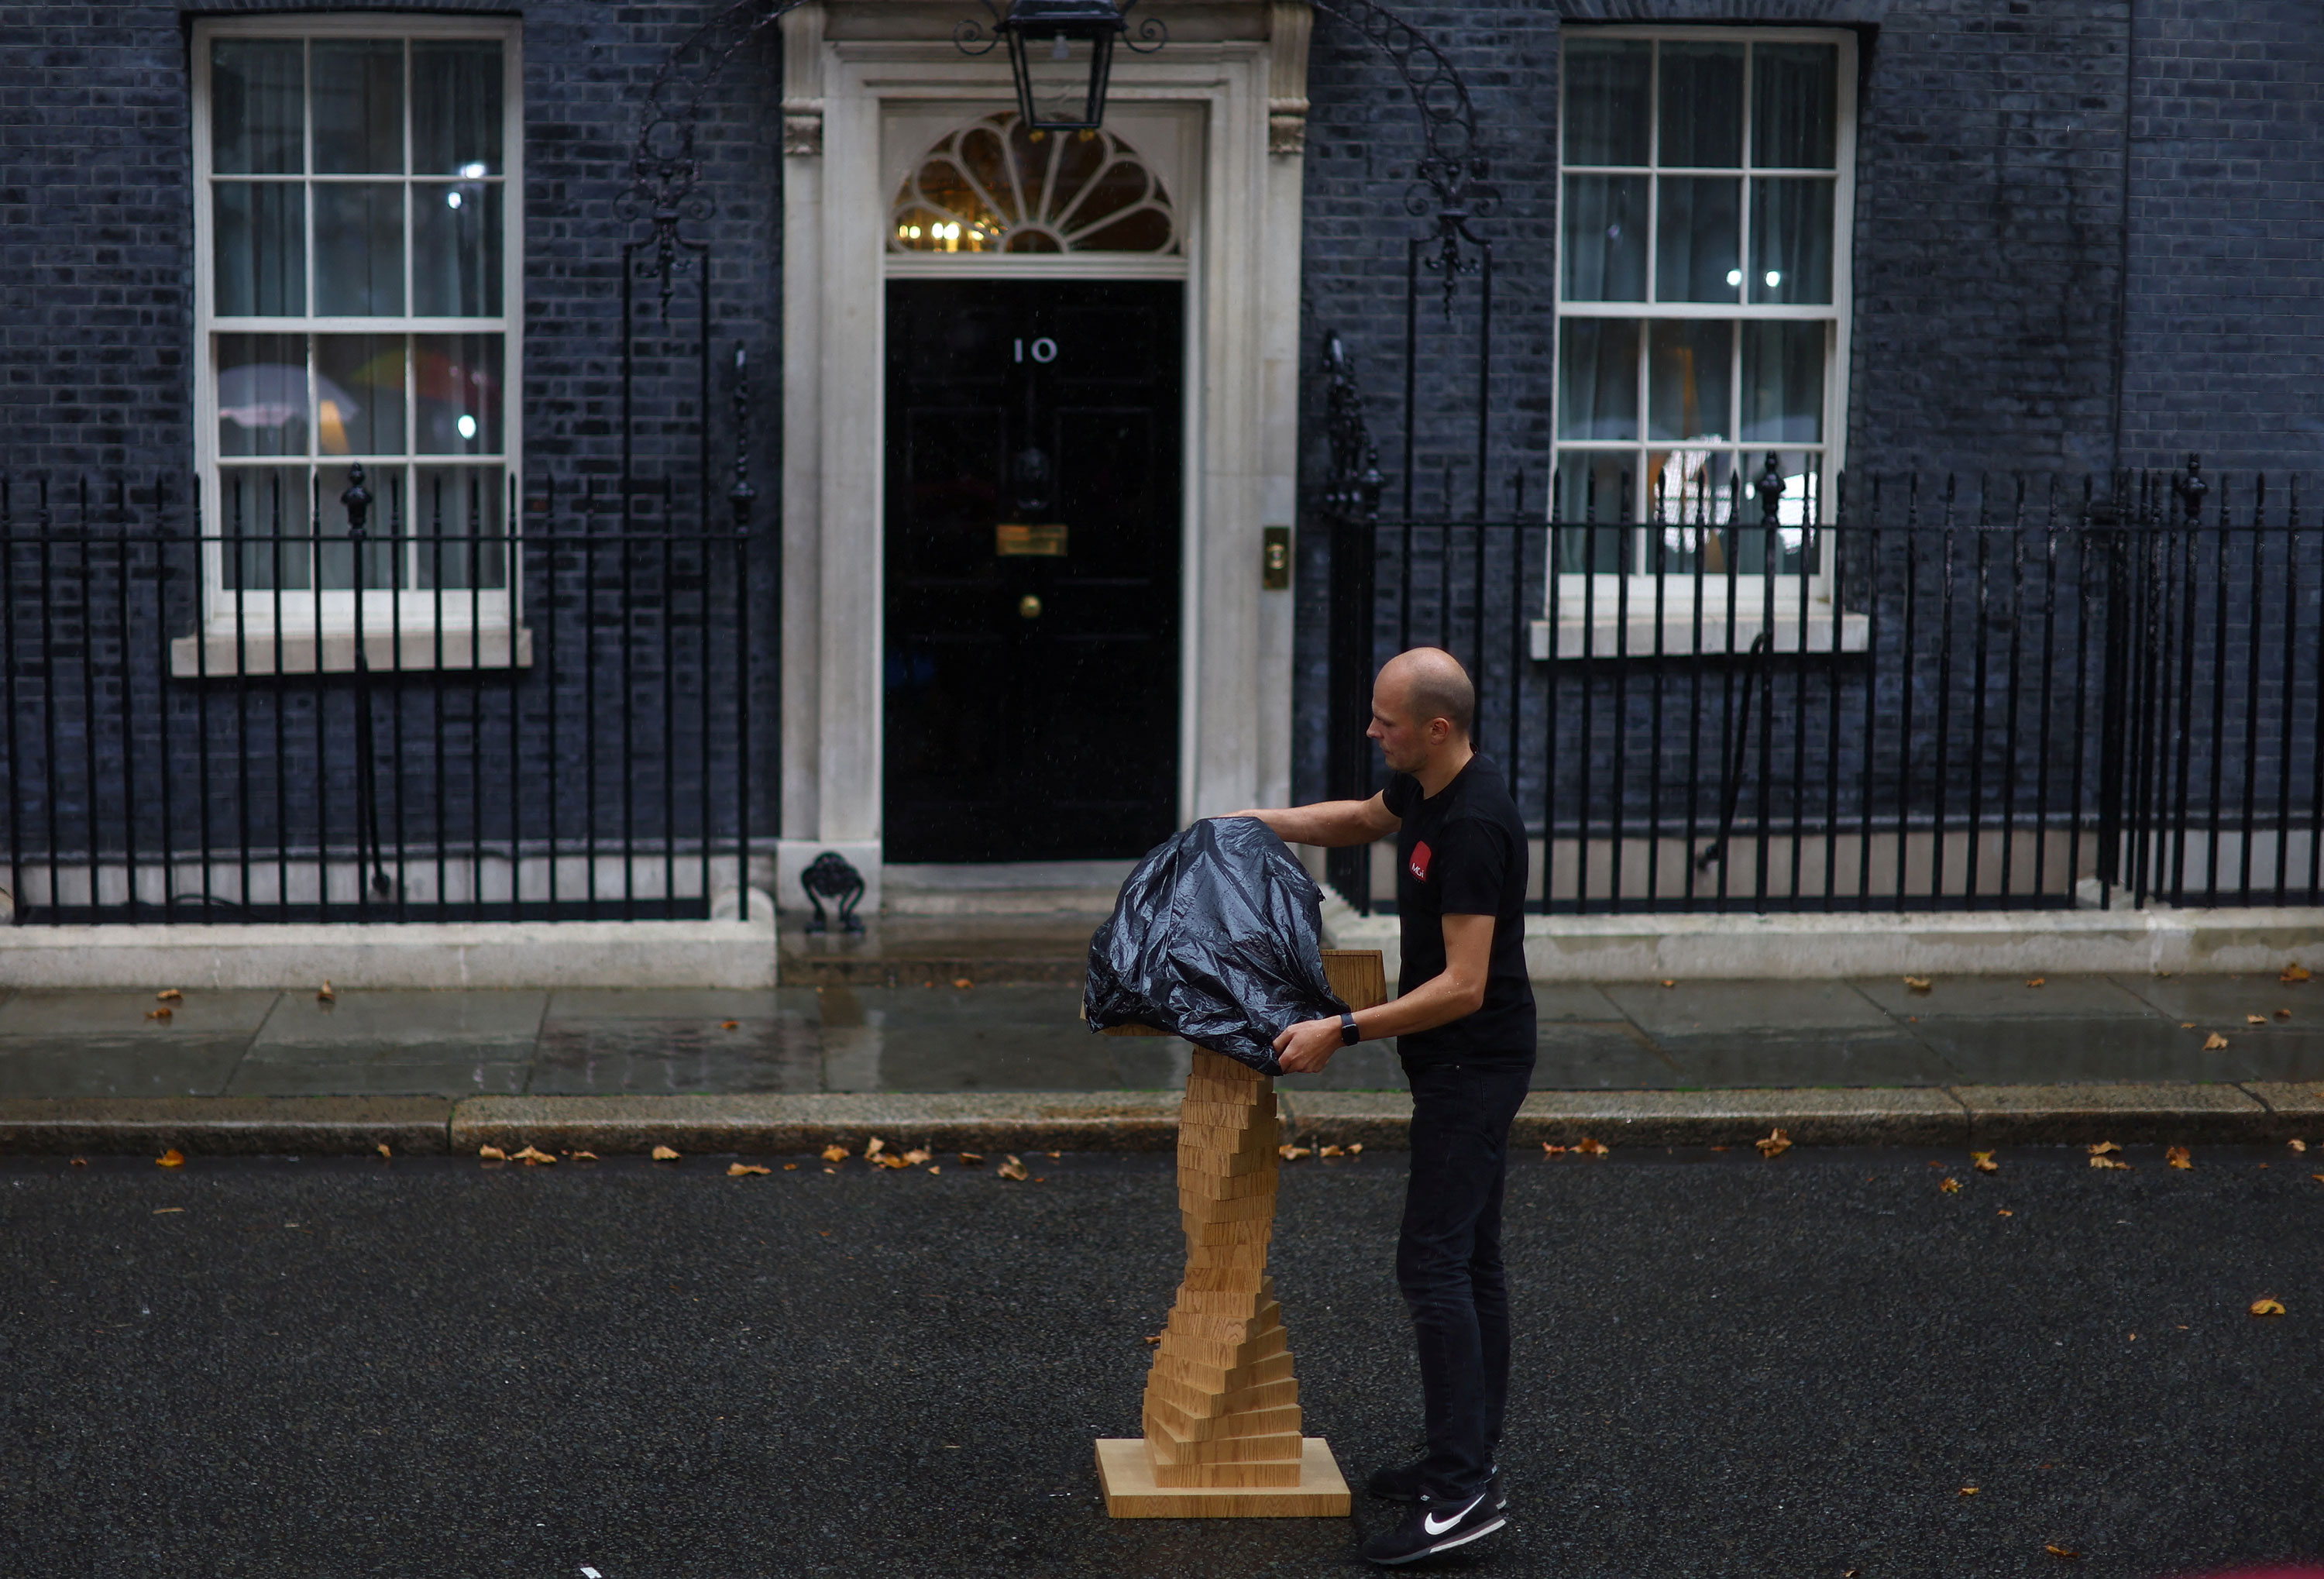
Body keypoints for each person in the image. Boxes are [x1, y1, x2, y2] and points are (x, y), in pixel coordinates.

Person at [1225, 645, 1535, 1567]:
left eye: (1385, 721)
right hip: (1455, 1065)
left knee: (1434, 1265)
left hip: (1473, 1064)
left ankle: (1460, 1495)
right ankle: (1466, 1456)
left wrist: (1342, 1028)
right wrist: (1255, 823)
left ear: (1436, 730)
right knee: (1471, 1259)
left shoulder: (1475, 821)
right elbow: (1361, 818)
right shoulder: (1428, 788)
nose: (1371, 731)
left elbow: (1465, 984)